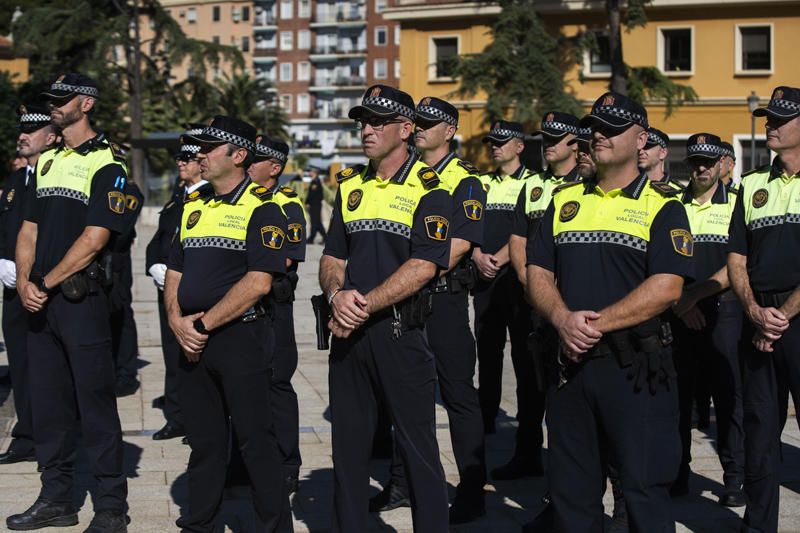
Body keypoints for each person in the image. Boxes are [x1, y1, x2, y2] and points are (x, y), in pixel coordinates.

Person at [527, 92, 693, 531]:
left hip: (634, 369)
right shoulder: (562, 201)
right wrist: (563, 320)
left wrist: (592, 324)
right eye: (596, 126)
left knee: (643, 491)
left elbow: (667, 287)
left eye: (613, 129)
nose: (599, 135)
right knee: (572, 493)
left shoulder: (664, 205)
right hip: (570, 367)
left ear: (641, 140)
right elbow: (537, 271)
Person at [319, 85, 451, 532]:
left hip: (399, 332)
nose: (366, 129)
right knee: (349, 448)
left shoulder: (429, 187)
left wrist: (366, 303)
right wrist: (337, 296)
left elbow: (425, 265)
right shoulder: (351, 185)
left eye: (377, 122)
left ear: (406, 129)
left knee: (418, 451)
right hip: (348, 333)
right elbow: (332, 257)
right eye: (363, 121)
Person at [8, 73, 131, 532]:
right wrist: (25, 281)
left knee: (95, 405)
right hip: (40, 302)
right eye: (52, 100)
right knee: (49, 406)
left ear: (86, 104)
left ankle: (111, 506)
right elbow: (29, 229)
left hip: (81, 302)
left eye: (62, 100)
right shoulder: (48, 161)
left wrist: (47, 281)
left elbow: (95, 238)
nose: (54, 107)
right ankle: (56, 498)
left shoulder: (109, 163)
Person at [165, 116, 291, 532]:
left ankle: (274, 526)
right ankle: (200, 523)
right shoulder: (193, 205)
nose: (198, 154)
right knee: (204, 443)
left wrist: (202, 326)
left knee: (256, 442)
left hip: (240, 337)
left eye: (208, 147)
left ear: (238, 155)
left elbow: (258, 282)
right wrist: (176, 320)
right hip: (192, 341)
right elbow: (175, 272)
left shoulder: (263, 207)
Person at [368, 96, 488, 524]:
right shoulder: (405, 175)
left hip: (444, 298)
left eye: (429, 123)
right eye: (415, 122)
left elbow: (461, 242)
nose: (419, 129)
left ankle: (472, 491)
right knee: (401, 397)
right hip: (404, 299)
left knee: (457, 395)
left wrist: (421, 269)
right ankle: (402, 483)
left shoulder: (464, 180)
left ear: (449, 130)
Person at [728, 85, 800, 533]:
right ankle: (758, 526)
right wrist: (755, 310)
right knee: (759, 431)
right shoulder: (752, 184)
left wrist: (784, 315)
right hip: (758, 321)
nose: (769, 124)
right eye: (767, 118)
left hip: (796, 318)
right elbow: (736, 258)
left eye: (779, 118)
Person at [669, 133, 745, 505]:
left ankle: (733, 478)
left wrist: (694, 298)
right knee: (677, 400)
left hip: (723, 312)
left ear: (721, 166)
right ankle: (678, 473)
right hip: (678, 314)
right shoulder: (672, 206)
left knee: (728, 397)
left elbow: (738, 265)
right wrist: (681, 305)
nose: (699, 167)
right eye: (695, 161)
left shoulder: (737, 206)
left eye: (707, 162)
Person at [473, 120, 541, 478]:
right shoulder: (482, 183)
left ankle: (528, 437)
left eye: (501, 142)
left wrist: (497, 257)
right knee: (486, 352)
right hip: (484, 282)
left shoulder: (533, 184)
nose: (494, 147)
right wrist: (476, 257)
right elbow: (466, 226)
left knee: (523, 359)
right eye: (491, 143)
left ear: (519, 146)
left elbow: (527, 232)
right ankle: (485, 421)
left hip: (516, 282)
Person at [0, 104, 58, 466]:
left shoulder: (56, 179)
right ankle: (27, 435)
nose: (22, 135)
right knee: (21, 365)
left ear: (50, 138)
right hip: (12, 291)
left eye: (32, 131)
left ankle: (56, 435)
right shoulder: (12, 183)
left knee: (51, 369)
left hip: (45, 289)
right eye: (22, 130)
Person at [249, 135, 307, 493]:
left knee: (278, 385)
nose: (247, 164)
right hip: (243, 306)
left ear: (273, 167)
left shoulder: (288, 205)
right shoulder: (242, 201)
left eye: (254, 160)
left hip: (274, 308)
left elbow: (286, 256)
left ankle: (288, 463)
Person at [145, 127, 208, 441]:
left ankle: (201, 420)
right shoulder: (177, 197)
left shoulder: (211, 196)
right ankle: (177, 416)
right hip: (167, 289)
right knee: (172, 355)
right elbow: (159, 239)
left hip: (195, 288)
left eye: (187, 157)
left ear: (201, 161)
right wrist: (154, 265)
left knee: (198, 355)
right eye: (178, 157)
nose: (179, 162)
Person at [110, 180, 143, 397]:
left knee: (121, 315)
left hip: (117, 263)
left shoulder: (129, 191)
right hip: (96, 259)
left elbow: (121, 230)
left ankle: (126, 372)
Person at [305, 166, 327, 244]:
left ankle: (311, 239)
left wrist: (308, 202)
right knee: (317, 222)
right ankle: (326, 238)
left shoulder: (316, 182)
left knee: (315, 222)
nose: (309, 173)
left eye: (310, 171)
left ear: (314, 172)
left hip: (315, 204)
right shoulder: (314, 181)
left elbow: (312, 194)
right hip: (315, 204)